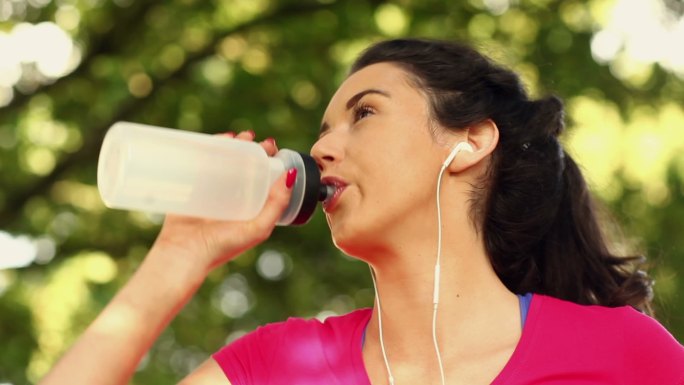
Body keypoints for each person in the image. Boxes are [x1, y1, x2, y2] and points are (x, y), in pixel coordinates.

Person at [39, 38, 683, 385]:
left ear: (469, 142)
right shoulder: (273, 368)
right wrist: (178, 256)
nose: (320, 147)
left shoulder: (622, 356)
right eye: (323, 127)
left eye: (364, 113)